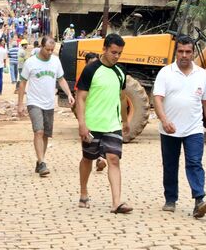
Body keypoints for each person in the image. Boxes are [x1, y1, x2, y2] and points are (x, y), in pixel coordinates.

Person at [153, 35, 206, 218]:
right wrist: (164, 120)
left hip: (194, 129)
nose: (184, 55)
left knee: (194, 163)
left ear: (193, 52)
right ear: (176, 52)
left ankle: (199, 201)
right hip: (169, 129)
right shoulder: (165, 73)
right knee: (170, 165)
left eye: (188, 52)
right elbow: (157, 98)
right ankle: (170, 199)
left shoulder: (202, 74)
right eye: (181, 51)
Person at [75, 33, 132, 214]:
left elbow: (122, 98)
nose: (116, 56)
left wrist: (125, 120)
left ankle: (116, 202)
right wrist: (82, 123)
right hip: (92, 125)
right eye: (114, 52)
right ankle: (83, 192)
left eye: (119, 53)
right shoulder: (91, 70)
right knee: (88, 159)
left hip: (112, 124)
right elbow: (81, 98)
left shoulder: (120, 71)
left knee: (113, 159)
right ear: (104, 49)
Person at [17, 36, 75, 177]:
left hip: (49, 103)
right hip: (34, 102)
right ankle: (42, 163)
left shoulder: (55, 61)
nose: (49, 52)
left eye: (51, 50)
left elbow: (61, 79)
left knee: (46, 134)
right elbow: (23, 83)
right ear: (41, 47)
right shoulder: (31, 63)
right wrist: (20, 103)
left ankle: (39, 160)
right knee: (39, 131)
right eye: (47, 49)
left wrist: (69, 94)